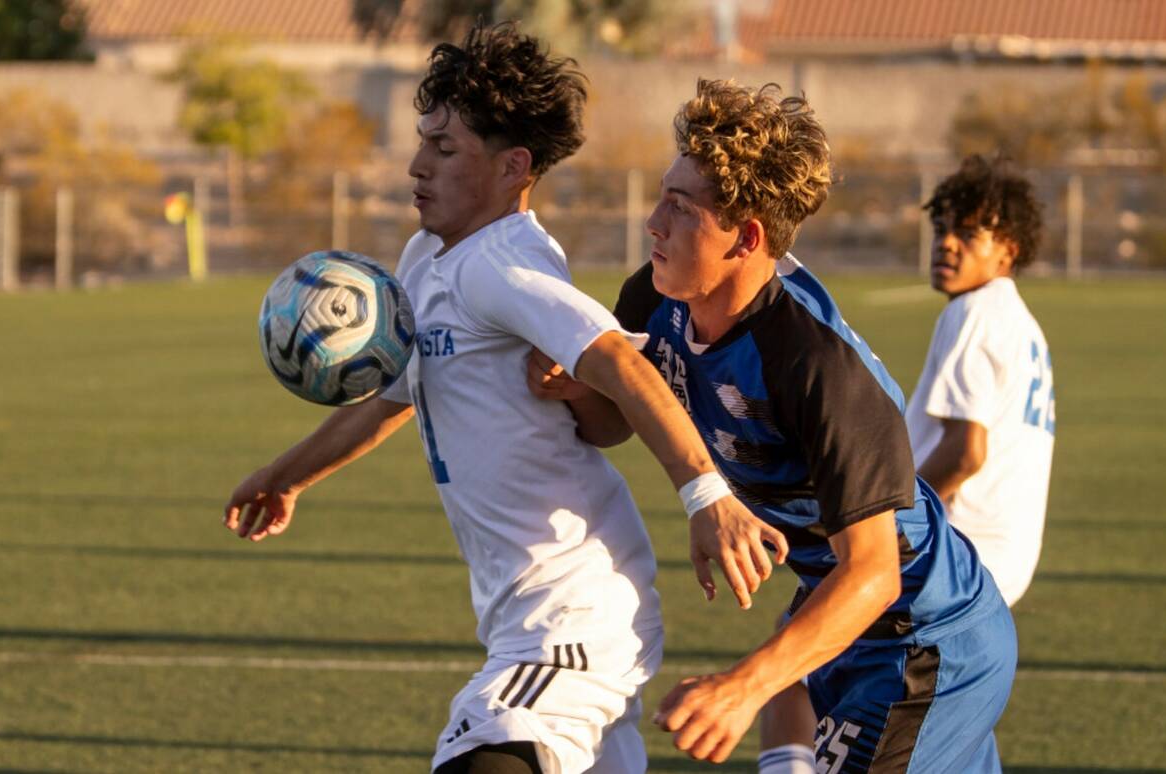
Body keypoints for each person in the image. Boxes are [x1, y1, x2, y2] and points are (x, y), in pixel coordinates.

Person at [222, 27, 786, 774]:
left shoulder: (504, 267)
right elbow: (396, 391)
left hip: (569, 616)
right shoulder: (428, 257)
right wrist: (289, 473)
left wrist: (706, 495)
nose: (418, 166)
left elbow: (618, 359)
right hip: (538, 616)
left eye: (446, 149)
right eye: (423, 142)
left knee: (481, 753)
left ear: (512, 166)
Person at [528, 79, 1017, 772]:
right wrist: (579, 390)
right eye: (663, 194)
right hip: (843, 624)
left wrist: (744, 688)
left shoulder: (818, 366)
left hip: (926, 638)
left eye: (681, 205)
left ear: (747, 237)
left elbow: (875, 574)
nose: (654, 222)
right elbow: (619, 422)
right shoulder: (656, 296)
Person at [906, 155, 1055, 607]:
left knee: (804, 654)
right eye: (942, 229)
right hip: (1000, 562)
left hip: (957, 552)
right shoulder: (1024, 324)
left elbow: (966, 451)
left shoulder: (973, 311)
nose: (947, 244)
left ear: (1008, 250)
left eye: (968, 235)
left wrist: (892, 521)